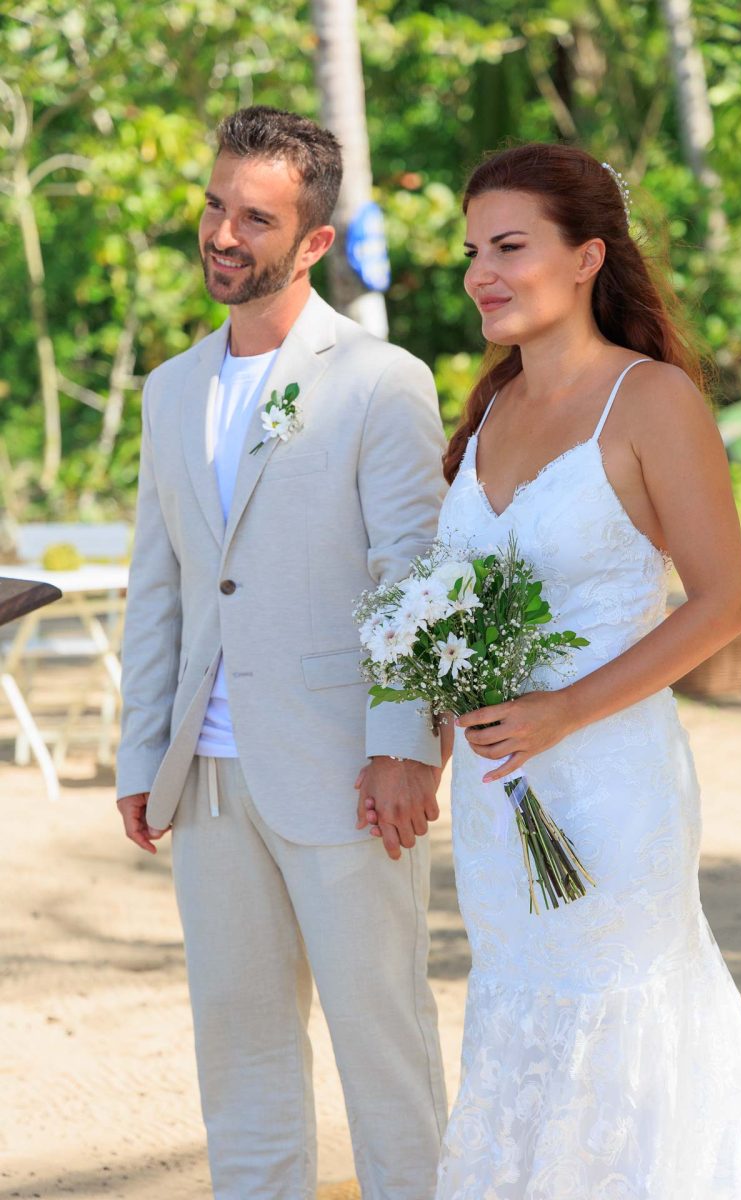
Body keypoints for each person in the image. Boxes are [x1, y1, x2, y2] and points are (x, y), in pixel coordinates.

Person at [432, 143, 741, 1197]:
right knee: (515, 1009)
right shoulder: (491, 406)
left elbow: (725, 601)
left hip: (610, 788)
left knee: (616, 1015)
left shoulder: (650, 401)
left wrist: (564, 710)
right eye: (471, 250)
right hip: (499, 798)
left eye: (509, 246)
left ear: (588, 255)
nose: (480, 273)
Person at [115, 105, 448, 1200]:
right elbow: (161, 588)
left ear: (310, 242)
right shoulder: (168, 392)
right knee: (242, 1062)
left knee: (383, 1056)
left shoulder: (377, 378)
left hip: (347, 772)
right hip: (206, 782)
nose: (220, 232)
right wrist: (139, 757)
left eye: (253, 218)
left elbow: (411, 575)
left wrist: (405, 745)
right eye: (214, 204)